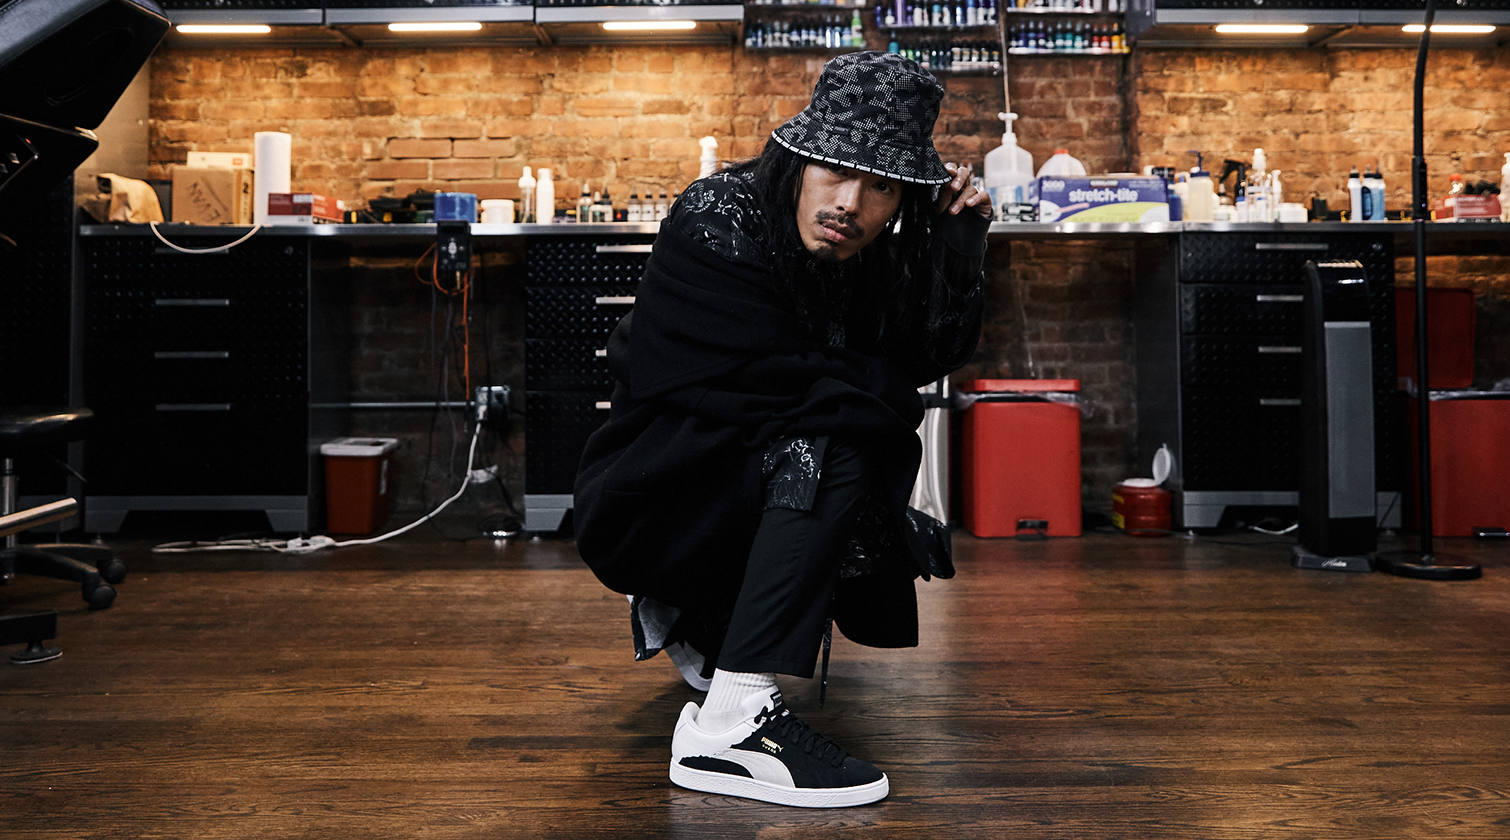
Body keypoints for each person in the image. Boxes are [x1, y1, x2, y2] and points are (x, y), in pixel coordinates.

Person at [573, 51, 991, 808]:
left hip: (738, 472)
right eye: (835, 170)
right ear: (799, 160)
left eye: (881, 185)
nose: (850, 203)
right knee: (833, 438)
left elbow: (929, 356)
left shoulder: (873, 250)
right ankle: (730, 724)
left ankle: (712, 632)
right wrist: (871, 384)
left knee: (835, 422)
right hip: (651, 489)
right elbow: (777, 386)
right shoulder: (719, 214)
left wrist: (956, 250)